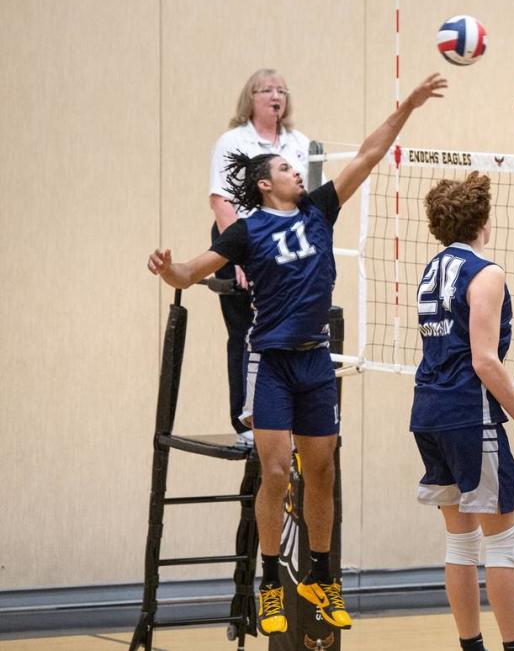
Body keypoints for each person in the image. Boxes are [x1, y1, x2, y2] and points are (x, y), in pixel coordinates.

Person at [147, 73, 447, 636]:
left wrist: (405, 105)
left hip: (316, 361)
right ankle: (268, 584)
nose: (295, 170)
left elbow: (369, 154)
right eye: (285, 168)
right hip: (272, 363)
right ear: (265, 185)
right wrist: (169, 270)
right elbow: (190, 272)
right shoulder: (246, 233)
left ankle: (322, 575)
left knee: (323, 470)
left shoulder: (318, 210)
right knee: (278, 472)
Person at [410, 172, 514, 651]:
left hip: (428, 411)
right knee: (503, 542)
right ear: (483, 220)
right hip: (470, 413)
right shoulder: (486, 272)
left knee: (460, 543)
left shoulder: (432, 268)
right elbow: (484, 359)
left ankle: (471, 646)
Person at [209, 68, 312, 447]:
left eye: (282, 89)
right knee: (245, 332)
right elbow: (221, 200)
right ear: (250, 98)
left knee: (290, 329)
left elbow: (310, 203)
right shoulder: (232, 141)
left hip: (290, 242)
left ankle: (287, 417)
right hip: (244, 238)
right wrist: (238, 256)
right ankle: (246, 421)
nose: (276, 95)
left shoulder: (300, 143)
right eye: (267, 89)